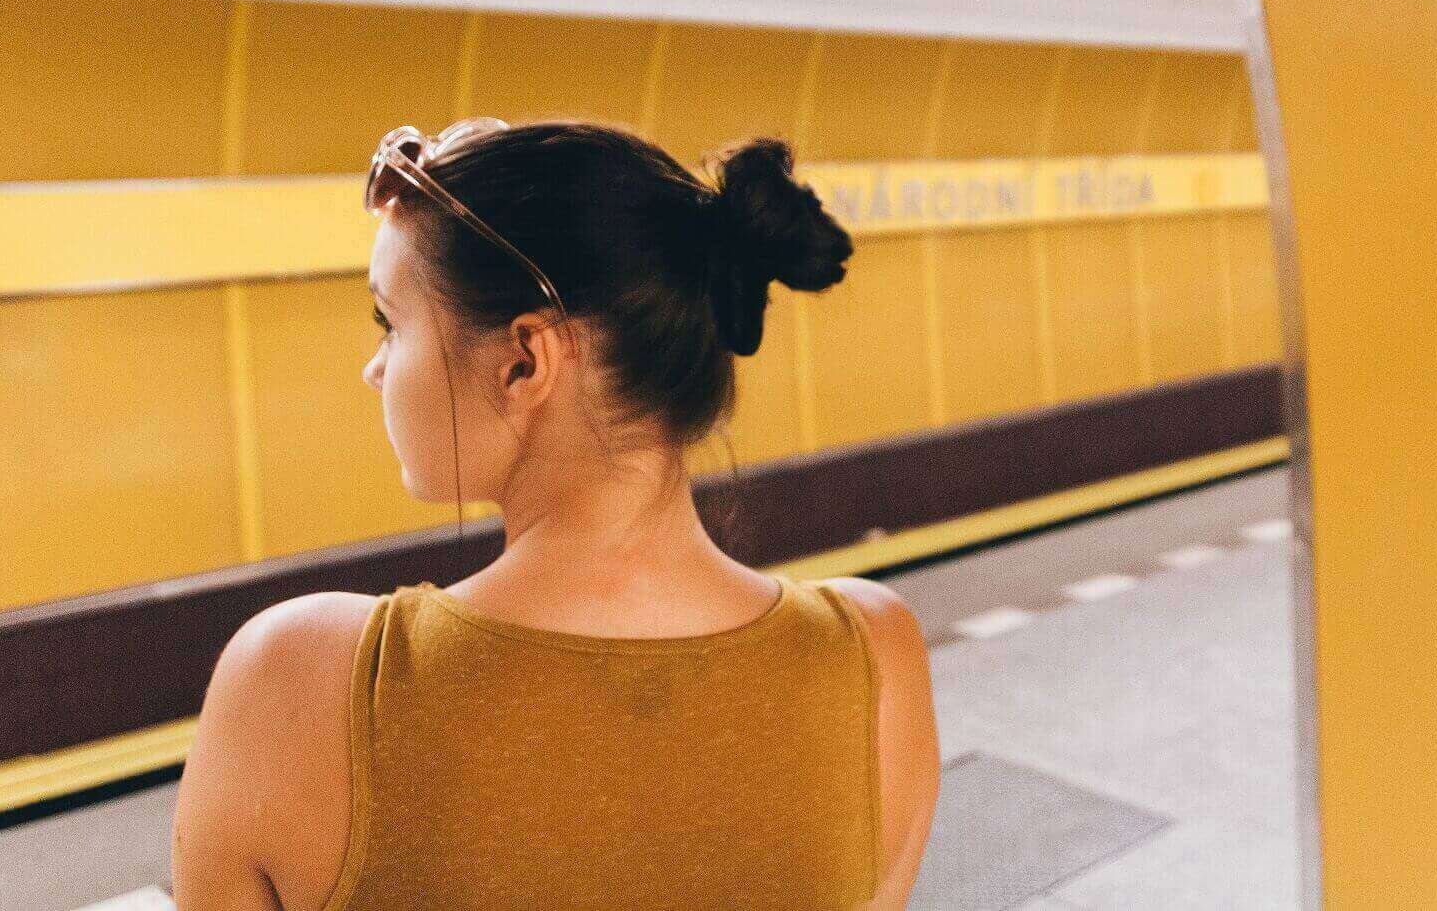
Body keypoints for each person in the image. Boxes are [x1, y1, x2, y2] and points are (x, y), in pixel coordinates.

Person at [171, 117, 940, 910]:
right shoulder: (875, 661)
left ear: (523, 361)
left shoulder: (295, 682)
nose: (375, 369)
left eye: (390, 323)